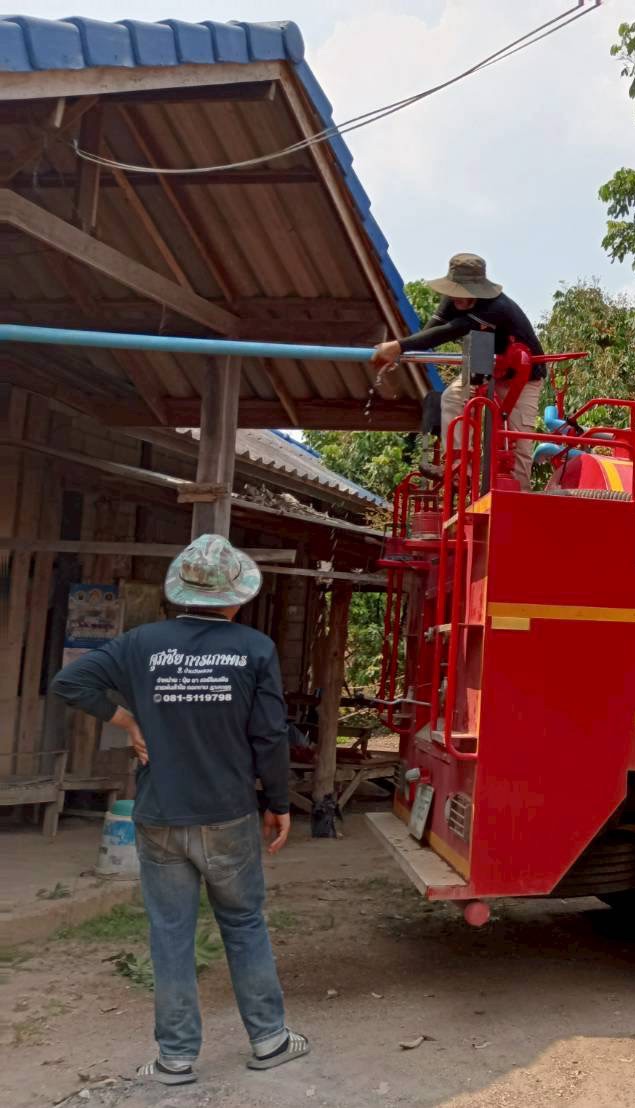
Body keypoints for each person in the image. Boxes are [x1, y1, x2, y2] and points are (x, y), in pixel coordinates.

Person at [49, 535, 309, 1086]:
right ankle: (269, 1040)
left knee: (170, 934)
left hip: (160, 815)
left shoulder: (141, 644)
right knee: (243, 924)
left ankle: (174, 1059)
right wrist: (280, 803)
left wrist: (128, 723)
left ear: (180, 594)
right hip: (229, 815)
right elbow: (270, 736)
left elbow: (69, 682)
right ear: (234, 597)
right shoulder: (256, 648)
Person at [371, 252, 545, 489]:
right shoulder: (452, 299)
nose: (457, 298)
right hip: (487, 360)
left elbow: (452, 330)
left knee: (515, 441)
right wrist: (401, 351)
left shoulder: (496, 307)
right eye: (454, 291)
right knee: (452, 397)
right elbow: (431, 333)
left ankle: (517, 495)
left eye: (464, 292)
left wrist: (398, 346)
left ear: (478, 289)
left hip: (523, 374)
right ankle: (460, 469)